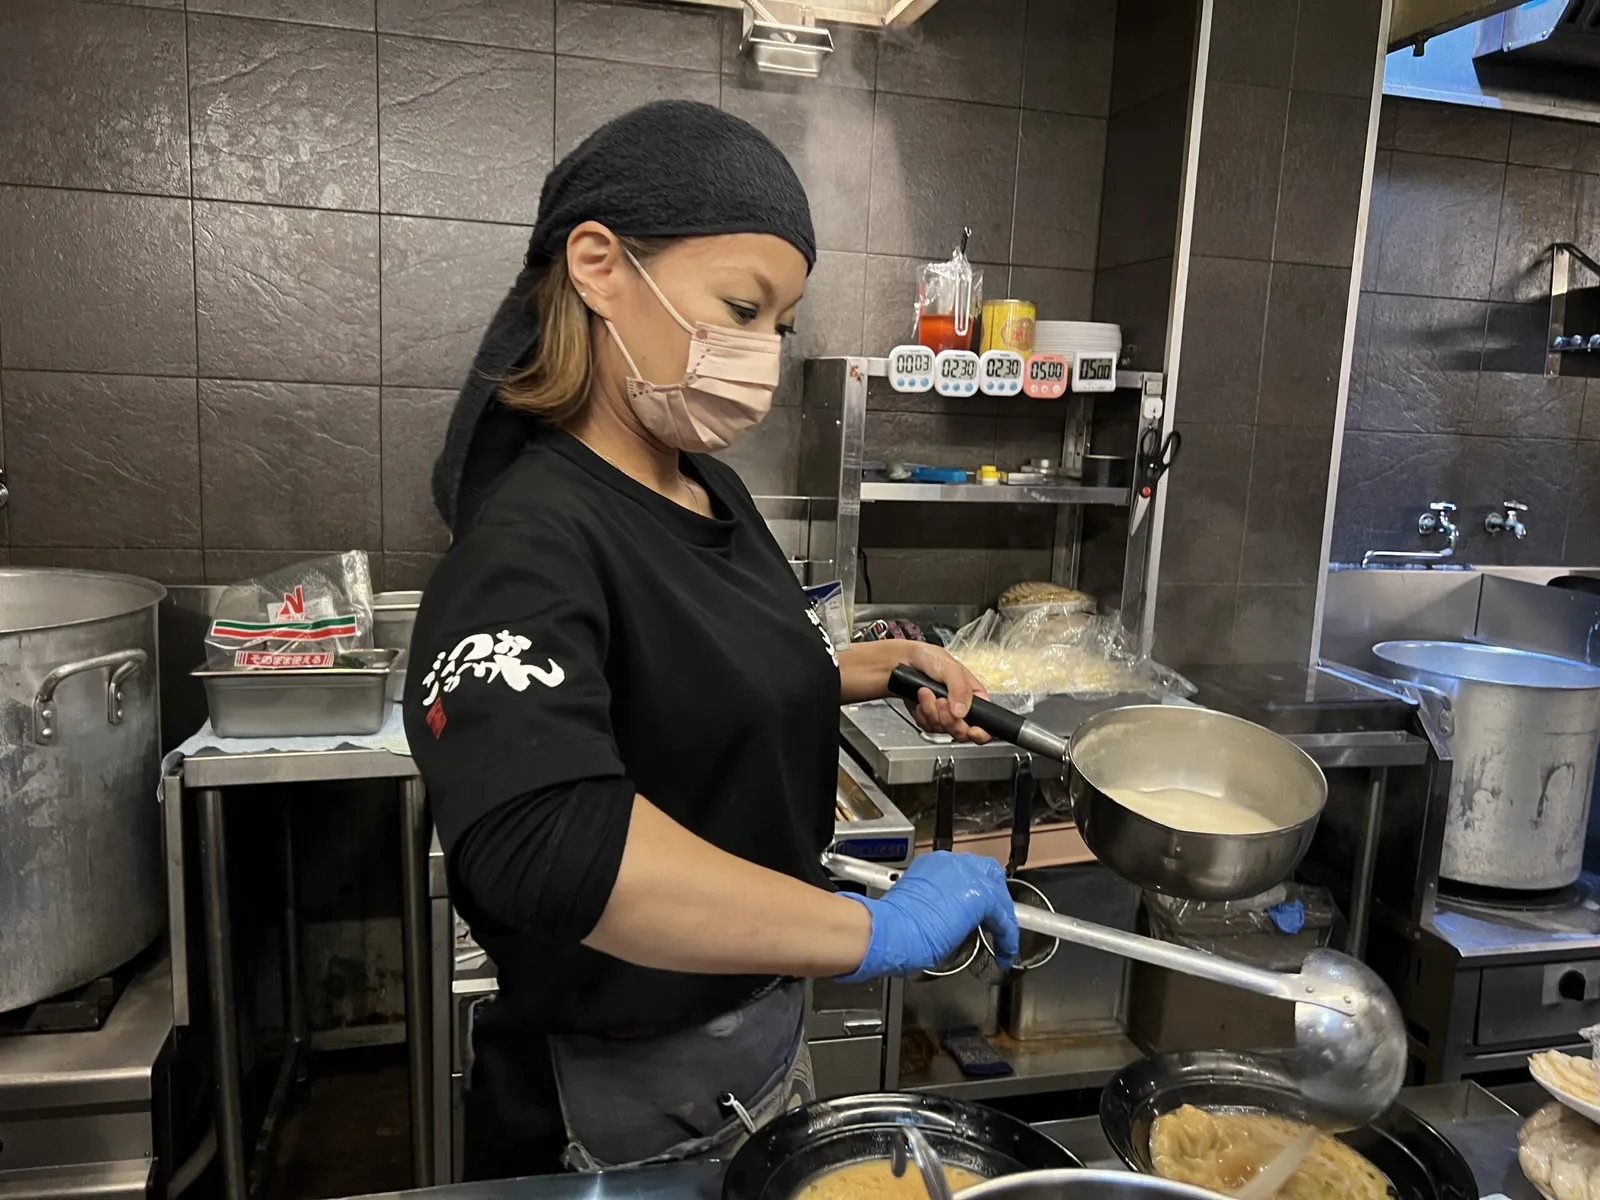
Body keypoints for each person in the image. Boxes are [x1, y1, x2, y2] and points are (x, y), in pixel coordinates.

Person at [404, 100, 1019, 1181]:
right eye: (742, 306)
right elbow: (549, 844)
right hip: (615, 1089)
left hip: (758, 1036)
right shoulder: (531, 532)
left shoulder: (706, 486)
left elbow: (685, 670)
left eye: (781, 324)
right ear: (597, 265)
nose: (765, 354)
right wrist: (864, 934)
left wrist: (849, 669)